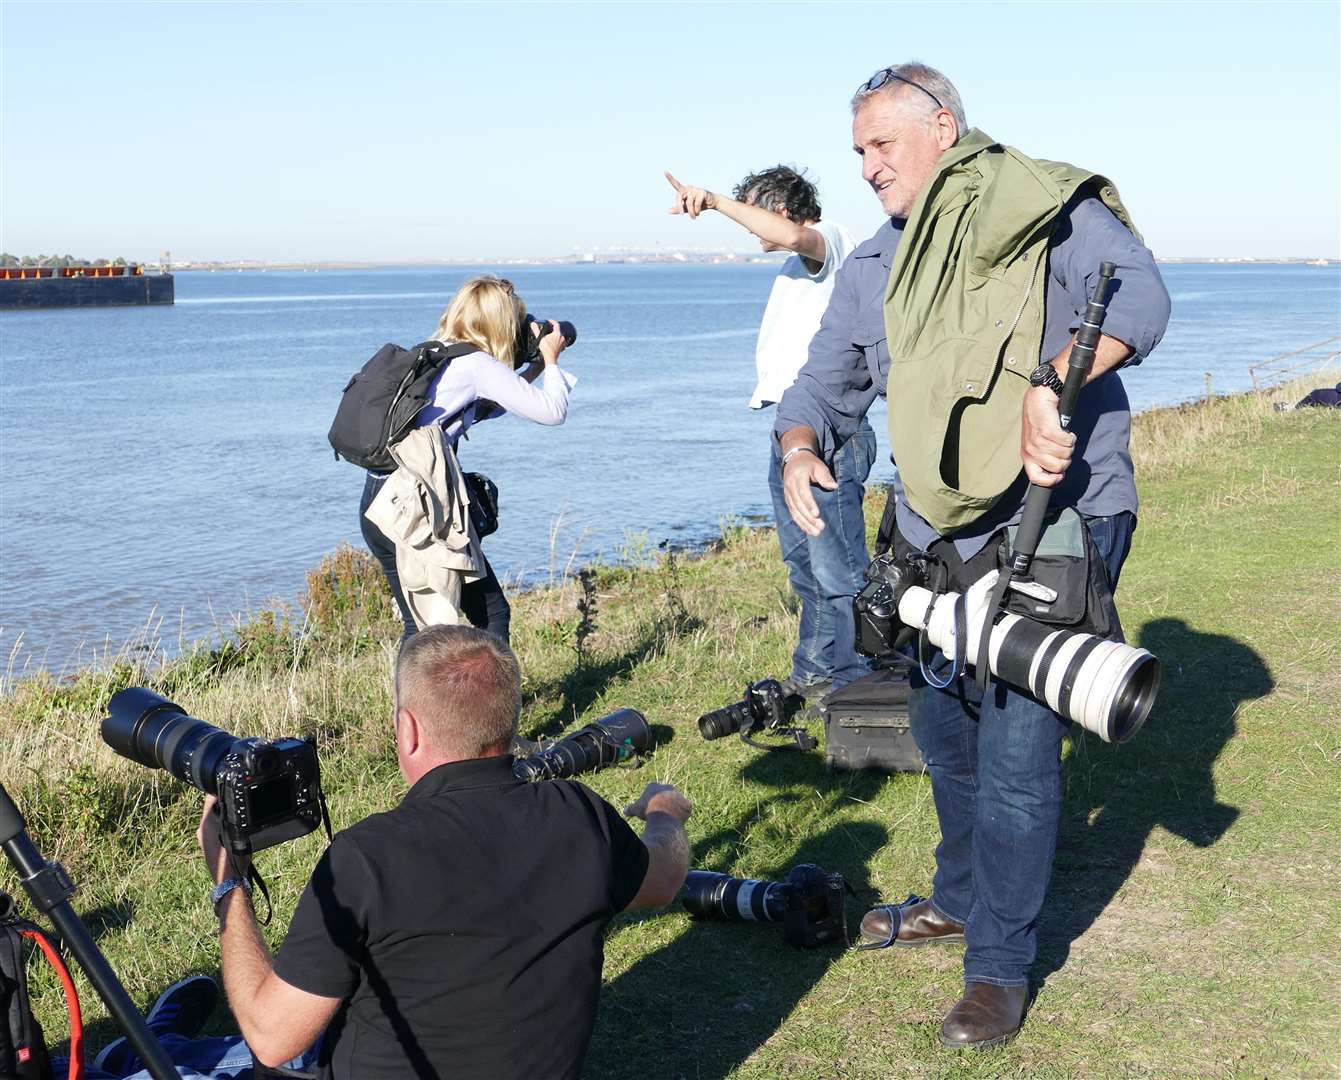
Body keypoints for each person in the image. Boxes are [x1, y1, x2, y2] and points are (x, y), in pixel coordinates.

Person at [774, 62, 1170, 1048]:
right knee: (942, 723)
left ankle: (997, 968)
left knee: (1015, 746)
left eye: (880, 145)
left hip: (1056, 514)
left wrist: (1052, 380)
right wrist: (796, 447)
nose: (864, 167)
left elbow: (1144, 304)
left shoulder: (1045, 214)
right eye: (856, 150)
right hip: (932, 533)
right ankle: (958, 897)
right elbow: (820, 386)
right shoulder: (874, 266)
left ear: (943, 126)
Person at [92, 625, 692, 1079]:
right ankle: (167, 1038)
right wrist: (664, 813)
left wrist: (229, 881)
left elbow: (272, 1037)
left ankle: (149, 1049)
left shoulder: (368, 859)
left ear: (407, 728)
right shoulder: (580, 816)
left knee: (181, 1067)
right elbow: (664, 879)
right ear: (507, 719)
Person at [665, 165, 870, 695]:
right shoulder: (793, 270)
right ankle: (814, 676)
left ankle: (857, 683)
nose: (750, 227)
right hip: (790, 429)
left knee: (839, 571)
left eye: (755, 212)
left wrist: (710, 200)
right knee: (805, 567)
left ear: (781, 208)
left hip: (828, 431)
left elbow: (793, 235)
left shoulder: (830, 242)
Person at [360, 276, 576, 642]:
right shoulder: (476, 365)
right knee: (488, 616)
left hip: (379, 504)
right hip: (417, 510)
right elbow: (552, 412)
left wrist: (535, 369)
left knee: (422, 629)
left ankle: (418, 702)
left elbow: (482, 409)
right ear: (502, 323)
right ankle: (495, 700)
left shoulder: (437, 351)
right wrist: (552, 360)